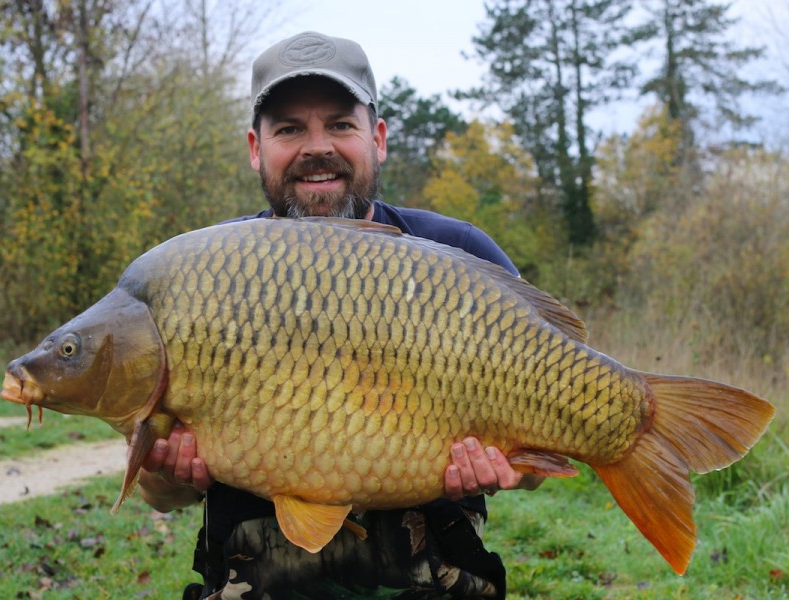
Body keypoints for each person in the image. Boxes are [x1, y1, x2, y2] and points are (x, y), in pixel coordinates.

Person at [138, 31, 543, 600]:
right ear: (256, 148)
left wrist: (510, 468)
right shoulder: (212, 273)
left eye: (339, 125)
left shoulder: (462, 254)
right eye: (289, 129)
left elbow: (535, 460)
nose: (316, 147)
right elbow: (159, 495)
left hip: (432, 582)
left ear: (376, 138)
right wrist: (165, 467)